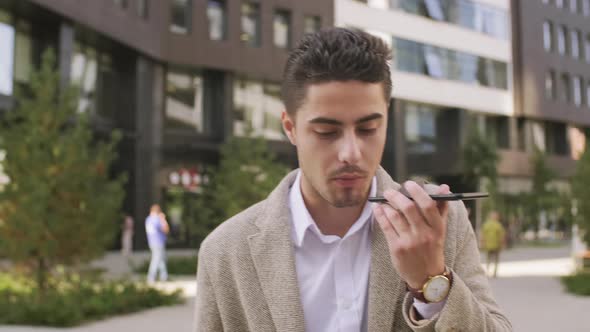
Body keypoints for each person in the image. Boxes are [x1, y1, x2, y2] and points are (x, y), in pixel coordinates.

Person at [194, 28, 511, 331]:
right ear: (290, 127)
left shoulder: (441, 222)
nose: (351, 153)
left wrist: (430, 282)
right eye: (327, 132)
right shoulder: (225, 253)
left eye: (368, 129)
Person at [145, 204, 169, 283]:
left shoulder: (148, 219)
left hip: (152, 242)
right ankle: (151, 277)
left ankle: (164, 276)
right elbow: (166, 229)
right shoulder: (157, 219)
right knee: (156, 259)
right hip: (158, 242)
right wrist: (163, 219)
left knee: (160, 259)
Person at [481, 211, 506, 278]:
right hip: (496, 245)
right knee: (495, 259)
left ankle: (488, 271)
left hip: (488, 245)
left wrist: (482, 243)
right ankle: (494, 273)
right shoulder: (498, 225)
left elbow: (483, 235)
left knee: (488, 259)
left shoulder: (486, 224)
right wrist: (502, 244)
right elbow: (502, 236)